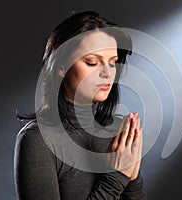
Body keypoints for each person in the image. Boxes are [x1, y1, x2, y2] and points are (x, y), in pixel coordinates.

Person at [14, 11, 146, 200]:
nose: (107, 72)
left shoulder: (117, 131)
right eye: (92, 62)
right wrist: (117, 177)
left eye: (112, 62)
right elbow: (116, 182)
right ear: (60, 66)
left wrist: (132, 178)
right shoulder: (38, 140)